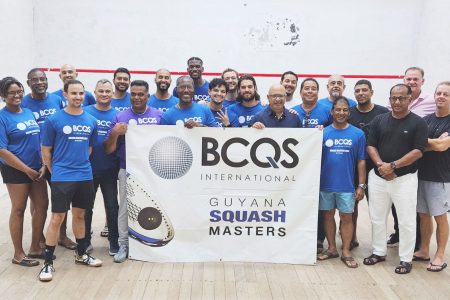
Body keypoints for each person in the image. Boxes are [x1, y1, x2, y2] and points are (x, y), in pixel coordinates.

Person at [39, 79, 101, 282]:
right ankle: (48, 263)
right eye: (73, 93)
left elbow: (89, 149)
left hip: (85, 175)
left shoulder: (91, 120)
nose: (78, 97)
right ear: (65, 95)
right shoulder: (54, 120)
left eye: (81, 93)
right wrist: (55, 171)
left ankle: (82, 254)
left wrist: (79, 165)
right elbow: (46, 150)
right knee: (57, 218)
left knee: (80, 215)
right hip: (62, 177)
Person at [364, 83, 428, 275]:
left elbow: (418, 151)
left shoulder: (418, 123)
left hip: (404, 180)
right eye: (394, 98)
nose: (397, 101)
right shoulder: (379, 120)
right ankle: (378, 252)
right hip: (377, 178)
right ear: (389, 99)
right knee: (377, 218)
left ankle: (406, 259)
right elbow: (370, 146)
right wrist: (381, 166)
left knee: (406, 220)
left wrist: (392, 166)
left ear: (410, 99)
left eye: (401, 98)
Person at [104, 80, 163, 263]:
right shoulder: (120, 117)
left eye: (141, 94)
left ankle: (155, 242)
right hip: (127, 170)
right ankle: (124, 244)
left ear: (148, 96)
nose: (137, 97)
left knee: (158, 205)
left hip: (154, 171)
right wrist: (115, 133)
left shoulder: (159, 116)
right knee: (125, 208)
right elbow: (108, 149)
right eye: (134, 94)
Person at [0, 77, 47, 267]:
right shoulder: (2, 117)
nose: (17, 95)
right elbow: (2, 150)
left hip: (36, 168)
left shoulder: (28, 112)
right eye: (11, 92)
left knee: (42, 205)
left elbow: (38, 141)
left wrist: (43, 163)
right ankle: (18, 254)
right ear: (3, 96)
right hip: (16, 170)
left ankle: (35, 246)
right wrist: (26, 169)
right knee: (18, 210)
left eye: (19, 91)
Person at [387, 67, 435, 249]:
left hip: (419, 161)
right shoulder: (393, 103)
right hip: (393, 163)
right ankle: (399, 234)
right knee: (396, 203)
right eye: (409, 79)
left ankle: (417, 243)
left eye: (415, 79)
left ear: (422, 81)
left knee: (414, 205)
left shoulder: (431, 100)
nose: (412, 82)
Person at [316, 97, 366, 268]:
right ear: (332, 112)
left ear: (349, 112)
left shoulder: (358, 134)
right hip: (325, 184)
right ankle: (331, 248)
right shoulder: (322, 133)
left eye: (345, 110)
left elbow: (361, 161)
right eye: (338, 109)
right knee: (328, 216)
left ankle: (345, 251)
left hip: (346, 185)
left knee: (347, 217)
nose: (341, 113)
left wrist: (361, 185)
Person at [22, 69, 66, 249]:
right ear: (28, 83)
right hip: (35, 162)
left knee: (62, 199)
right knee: (38, 202)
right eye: (35, 80)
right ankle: (39, 238)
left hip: (58, 159)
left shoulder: (56, 100)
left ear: (47, 81)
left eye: (42, 79)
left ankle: (63, 236)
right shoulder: (23, 103)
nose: (39, 82)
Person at [348, 79, 389, 249]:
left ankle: (378, 245)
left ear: (371, 92)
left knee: (377, 208)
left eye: (364, 90)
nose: (361, 93)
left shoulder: (383, 112)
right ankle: (351, 238)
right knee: (351, 206)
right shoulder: (348, 112)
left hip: (376, 167)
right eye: (357, 91)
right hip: (353, 166)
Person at [414, 81, 450, 272]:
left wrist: (428, 144)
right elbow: (416, 145)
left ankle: (439, 255)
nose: (441, 97)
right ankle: (424, 250)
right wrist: (435, 142)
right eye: (439, 93)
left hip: (441, 178)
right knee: (424, 216)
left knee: (440, 217)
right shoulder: (426, 120)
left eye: (446, 94)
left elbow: (442, 146)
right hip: (421, 176)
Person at [292, 78, 331, 254]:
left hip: (321, 164)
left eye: (313, 89)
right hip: (297, 167)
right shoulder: (292, 112)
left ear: (318, 92)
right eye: (306, 88)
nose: (309, 91)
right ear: (300, 92)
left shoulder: (327, 112)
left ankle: (318, 239)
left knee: (319, 203)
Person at [84, 79, 119, 255]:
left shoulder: (118, 115)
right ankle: (85, 241)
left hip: (110, 169)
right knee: (86, 206)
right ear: (95, 93)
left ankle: (114, 242)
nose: (104, 94)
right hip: (87, 169)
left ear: (112, 94)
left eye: (107, 91)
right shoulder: (84, 112)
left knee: (112, 206)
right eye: (101, 91)